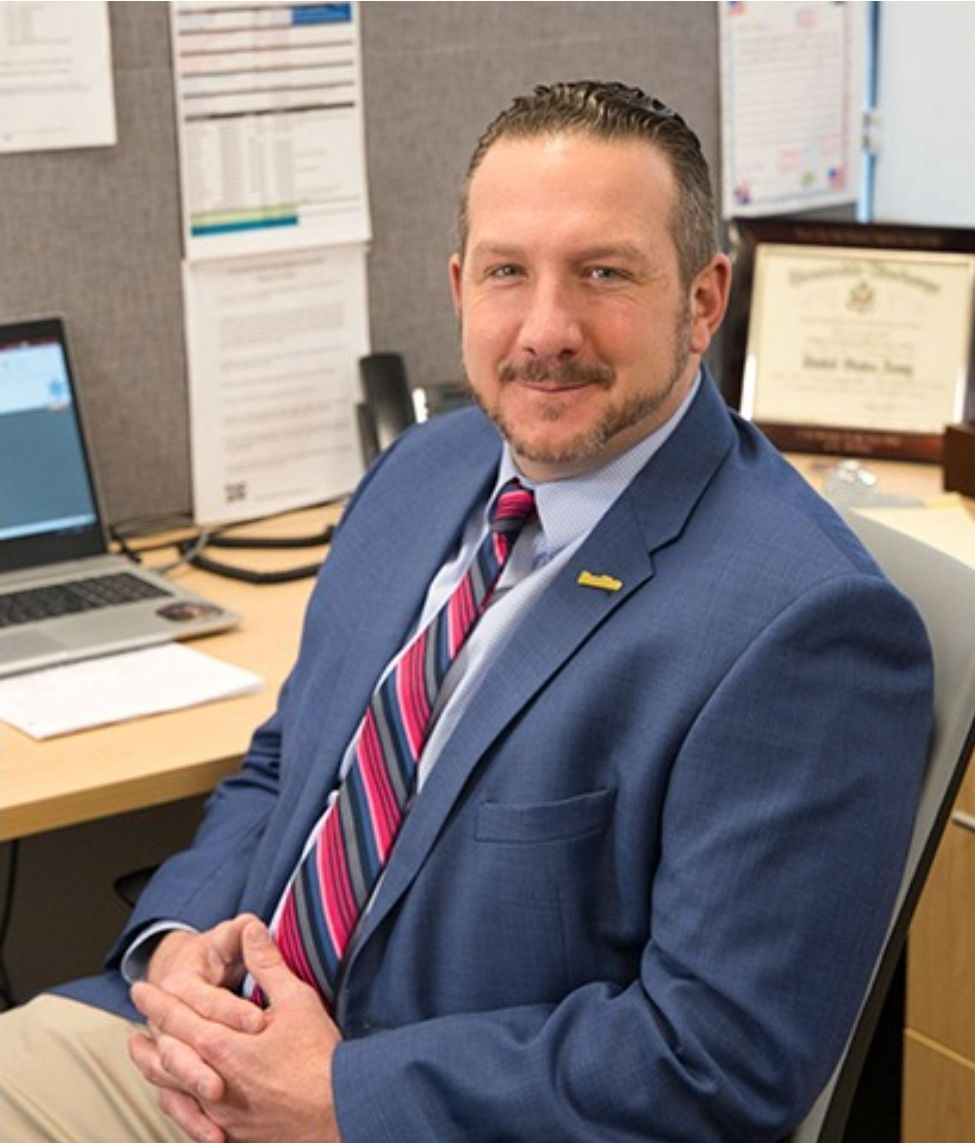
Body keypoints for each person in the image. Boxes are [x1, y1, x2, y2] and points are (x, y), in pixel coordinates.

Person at [0, 81, 932, 1142]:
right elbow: (285, 764)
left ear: (704, 298)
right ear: (457, 287)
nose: (545, 330)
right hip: (191, 1052)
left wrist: (341, 1098)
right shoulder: (427, 472)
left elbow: (716, 1059)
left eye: (604, 273)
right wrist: (178, 942)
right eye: (506, 273)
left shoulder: (810, 628)